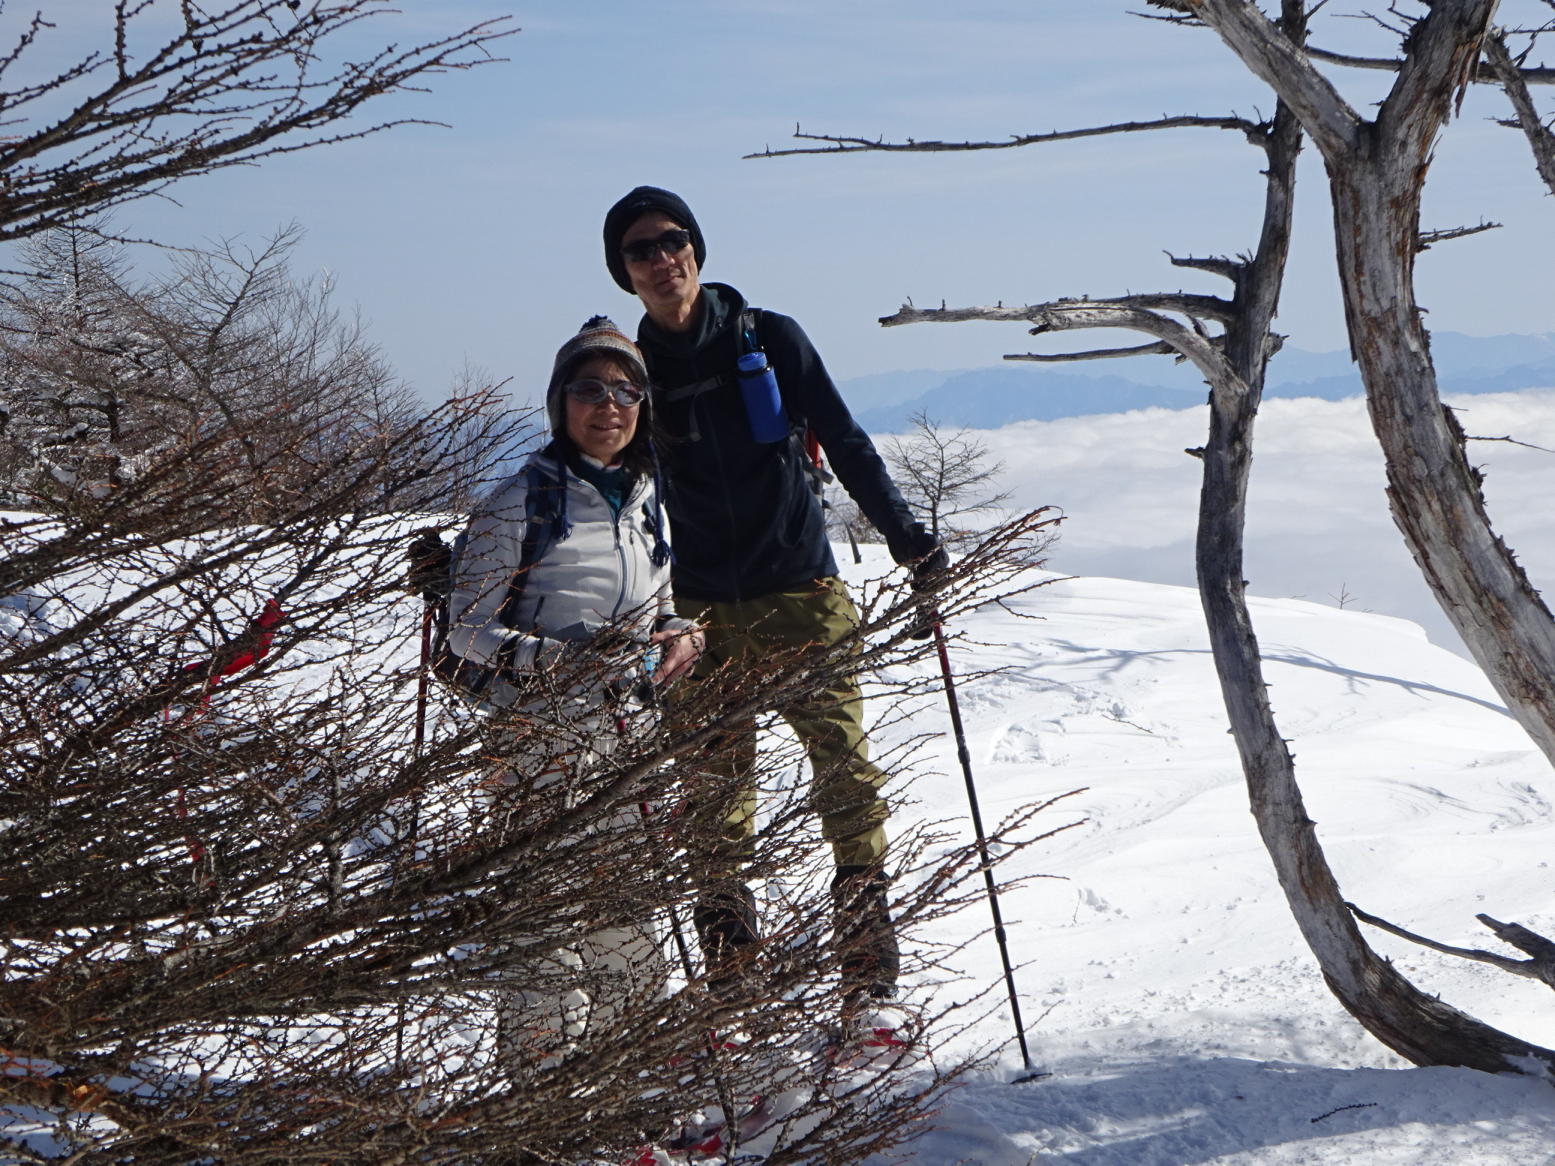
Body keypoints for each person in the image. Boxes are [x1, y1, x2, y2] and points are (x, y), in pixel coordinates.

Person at [601, 186, 946, 1029]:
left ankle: (867, 987)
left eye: (671, 239)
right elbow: (596, 480)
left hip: (802, 594)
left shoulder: (769, 337)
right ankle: (733, 993)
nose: (660, 257)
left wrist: (911, 543)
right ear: (624, 271)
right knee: (715, 808)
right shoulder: (630, 374)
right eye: (641, 248)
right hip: (697, 615)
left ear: (696, 247)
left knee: (846, 783)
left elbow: (846, 438)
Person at [445, 315, 704, 1072]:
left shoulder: (647, 497)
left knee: (624, 915)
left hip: (628, 735)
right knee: (544, 922)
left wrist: (680, 631)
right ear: (560, 402)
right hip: (536, 741)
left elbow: (657, 603)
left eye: (626, 390)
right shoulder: (517, 501)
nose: (609, 405)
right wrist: (556, 663)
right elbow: (465, 631)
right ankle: (543, 1099)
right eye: (589, 389)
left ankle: (623, 1093)